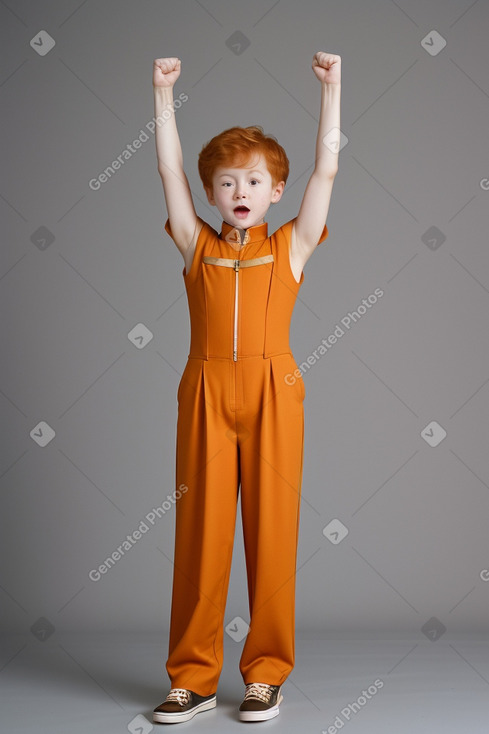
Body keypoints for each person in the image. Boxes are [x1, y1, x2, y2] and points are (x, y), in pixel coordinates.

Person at [151, 51, 341, 724]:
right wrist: (162, 93)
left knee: (271, 537)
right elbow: (169, 168)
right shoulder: (195, 247)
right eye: (228, 181)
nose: (240, 190)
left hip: (272, 391)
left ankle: (265, 675)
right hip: (203, 390)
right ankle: (192, 678)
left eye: (254, 180)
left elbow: (327, 167)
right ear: (211, 194)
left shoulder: (288, 247)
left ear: (274, 192)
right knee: (198, 540)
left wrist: (331, 87)